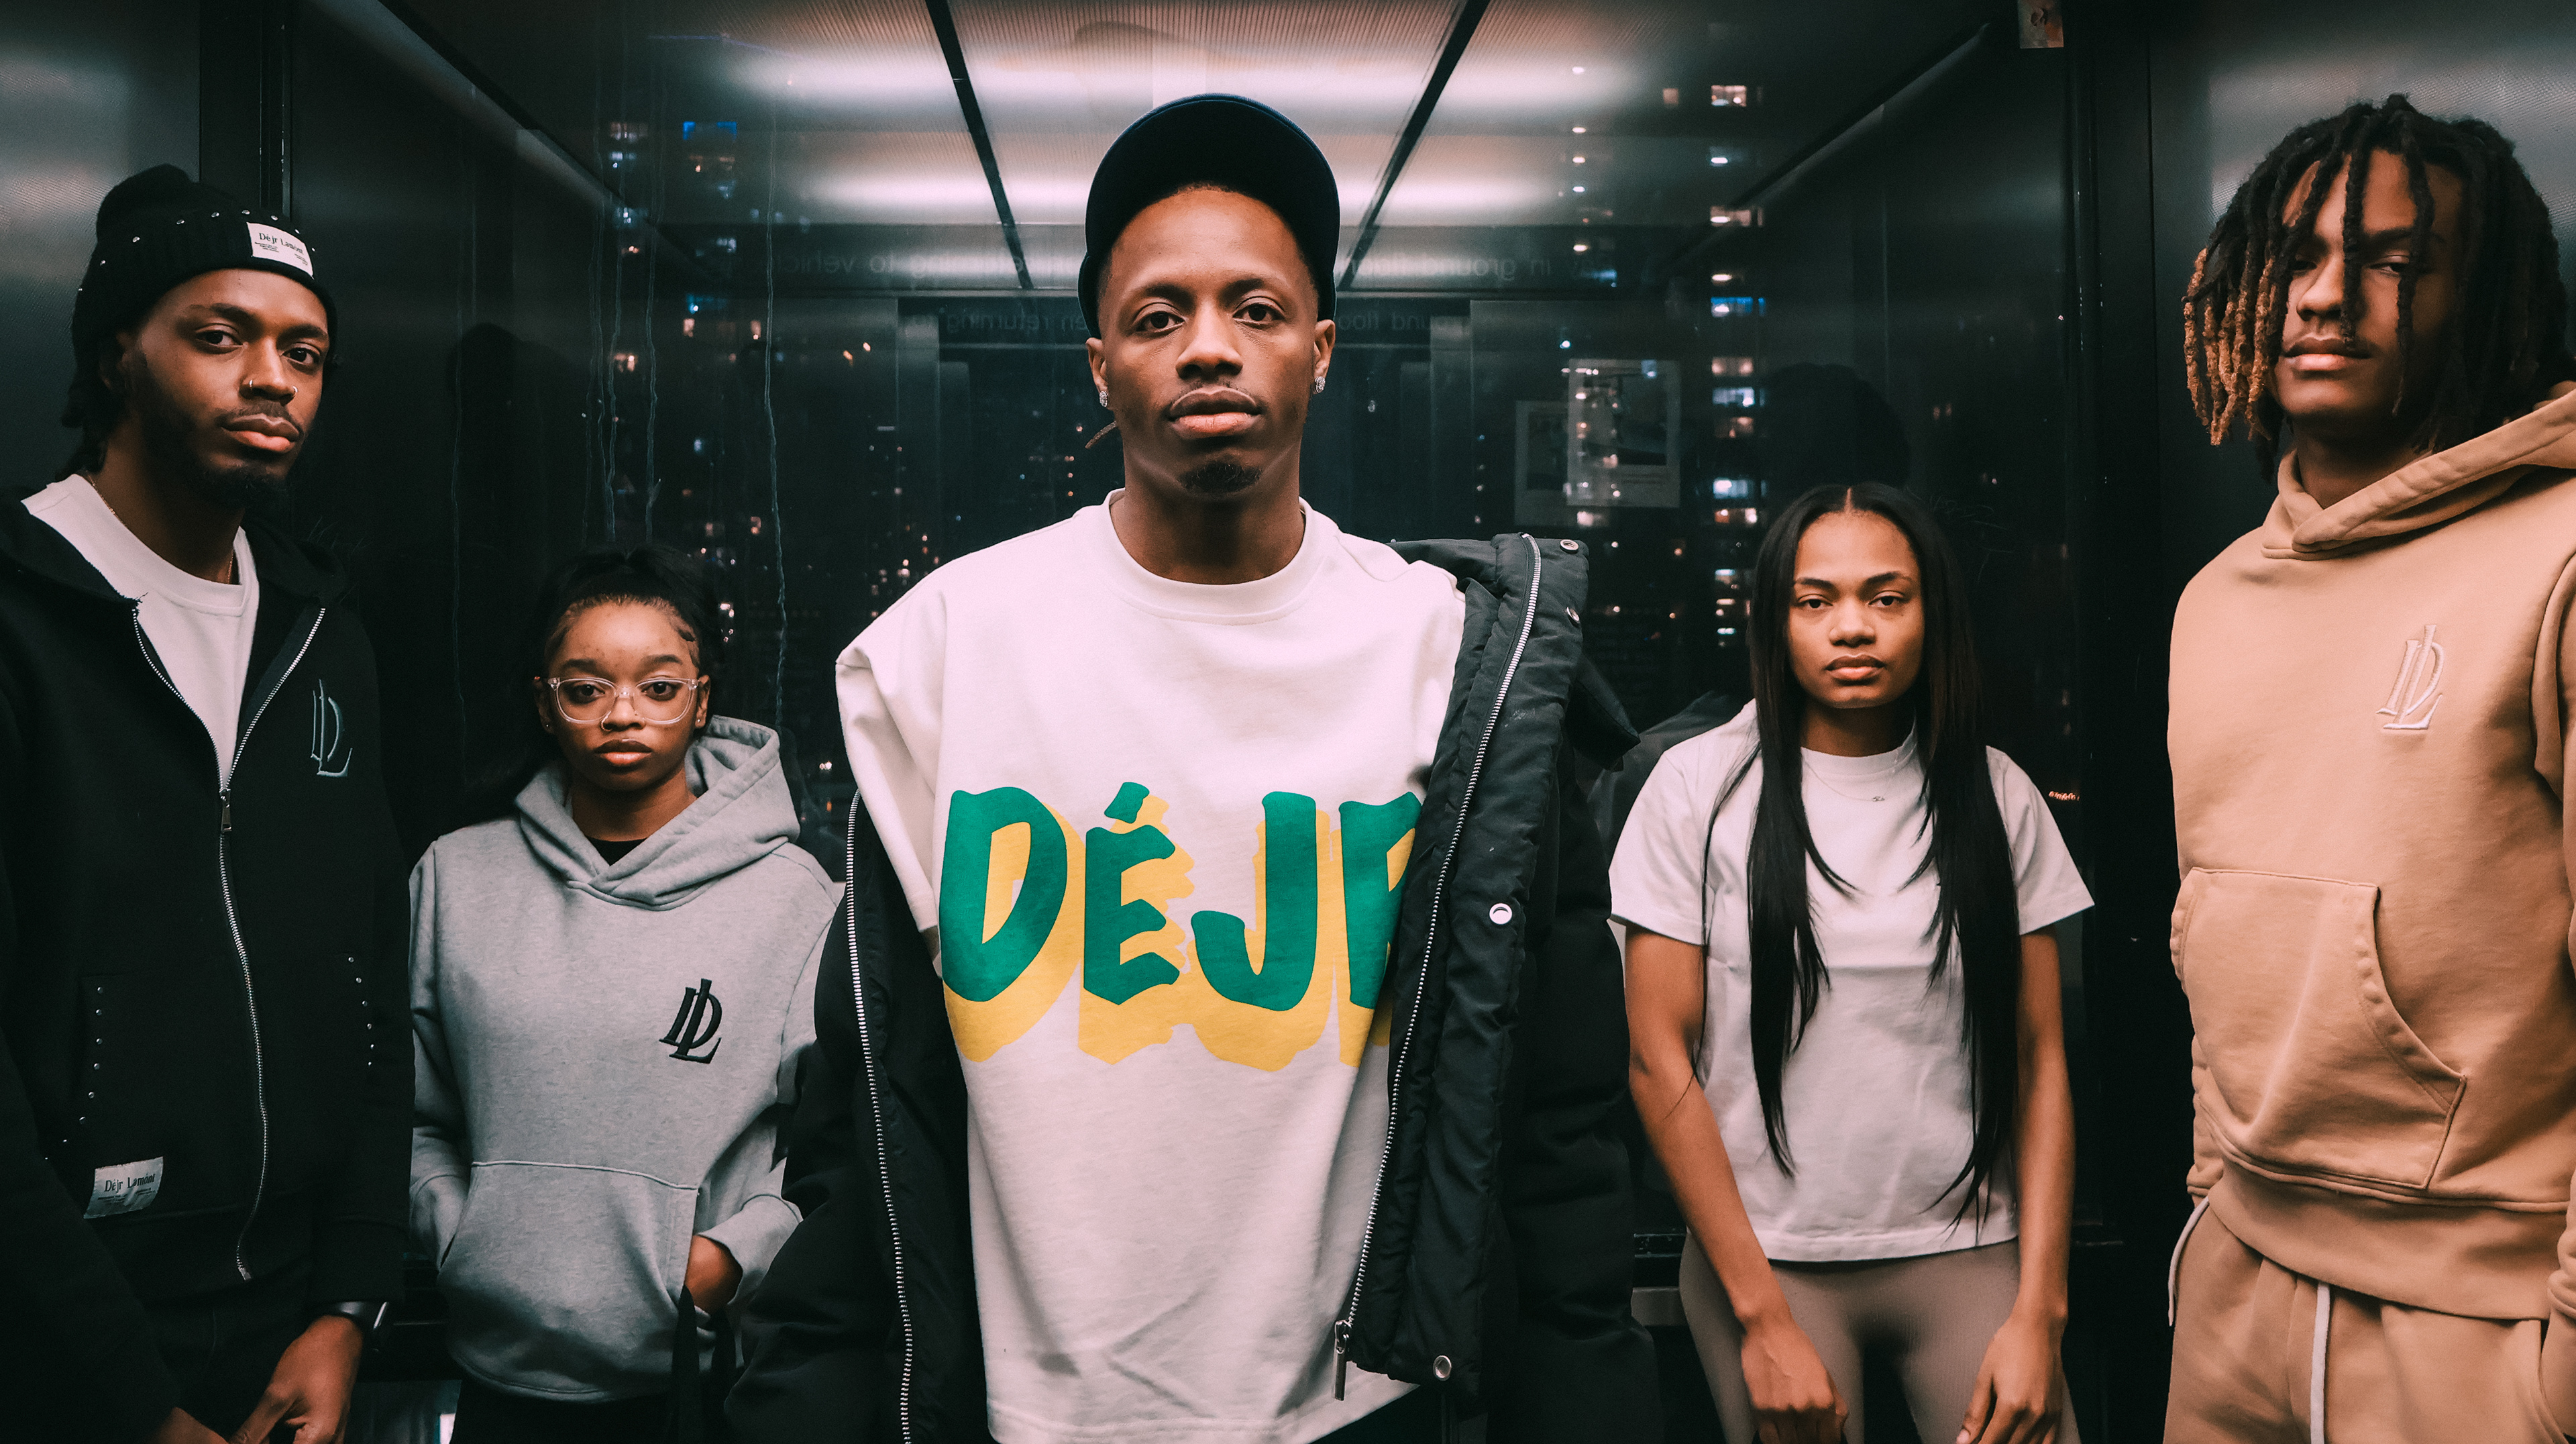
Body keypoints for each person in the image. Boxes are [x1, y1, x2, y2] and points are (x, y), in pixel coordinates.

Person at [729, 95, 1658, 1444]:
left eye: (1257, 309)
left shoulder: (1449, 658)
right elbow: (868, 1113)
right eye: (1159, 315)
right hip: (1027, 1410)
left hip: (1363, 1413)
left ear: (1321, 349)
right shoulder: (948, 650)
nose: (1210, 346)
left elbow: (1555, 1117)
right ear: (1100, 364)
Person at [2165, 95, 2576, 1440]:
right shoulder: (2218, 597)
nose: (2325, 296)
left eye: (2396, 261)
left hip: (2481, 1322)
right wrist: (2212, 1194)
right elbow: (2211, 934)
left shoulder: (2560, 557)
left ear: (2484, 295)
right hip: (2237, 1278)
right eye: (2295, 257)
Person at [0, 166, 409, 1443]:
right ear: (117, 354)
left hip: (291, 1329)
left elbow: (370, 976)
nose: (272, 380)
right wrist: (126, 1397)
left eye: (305, 352)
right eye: (220, 337)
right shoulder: (19, 617)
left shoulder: (320, 630)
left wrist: (348, 1302)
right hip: (62, 1334)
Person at [1617, 482, 2090, 1444]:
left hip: (1968, 1246)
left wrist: (2041, 1312)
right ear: (1775, 618)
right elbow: (1659, 1061)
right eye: (1815, 600)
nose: (1852, 627)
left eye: (1886, 597)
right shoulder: (1695, 789)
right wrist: (1760, 1321)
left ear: (1929, 614)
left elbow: (2042, 1059)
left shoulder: (1995, 794)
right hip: (1767, 1261)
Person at [409, 546, 839, 1443]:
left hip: (698, 1379)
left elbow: (832, 1141)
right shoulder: (455, 877)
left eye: (659, 686)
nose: (622, 714)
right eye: (585, 688)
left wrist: (729, 1260)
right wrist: (463, 1237)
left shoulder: (795, 899)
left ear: (703, 699)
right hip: (495, 1372)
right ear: (545, 703)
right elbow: (405, 1110)